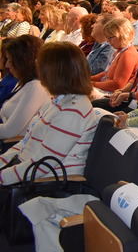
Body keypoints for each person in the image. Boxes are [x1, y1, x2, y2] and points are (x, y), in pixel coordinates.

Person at [0, 43, 99, 186]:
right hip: (27, 171)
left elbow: (43, 164)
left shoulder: (73, 111)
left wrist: (3, 177)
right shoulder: (58, 101)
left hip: (46, 184)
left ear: (53, 72)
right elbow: (25, 144)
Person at [0, 36, 50, 139]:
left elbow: (9, 131)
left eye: (10, 60)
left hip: (13, 145)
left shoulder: (36, 88)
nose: (7, 65)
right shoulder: (25, 83)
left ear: (22, 62)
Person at [91, 17, 138, 93]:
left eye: (110, 37)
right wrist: (89, 79)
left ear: (123, 35)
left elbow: (117, 85)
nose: (108, 41)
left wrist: (92, 84)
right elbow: (106, 74)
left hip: (114, 96)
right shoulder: (119, 51)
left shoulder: (128, 54)